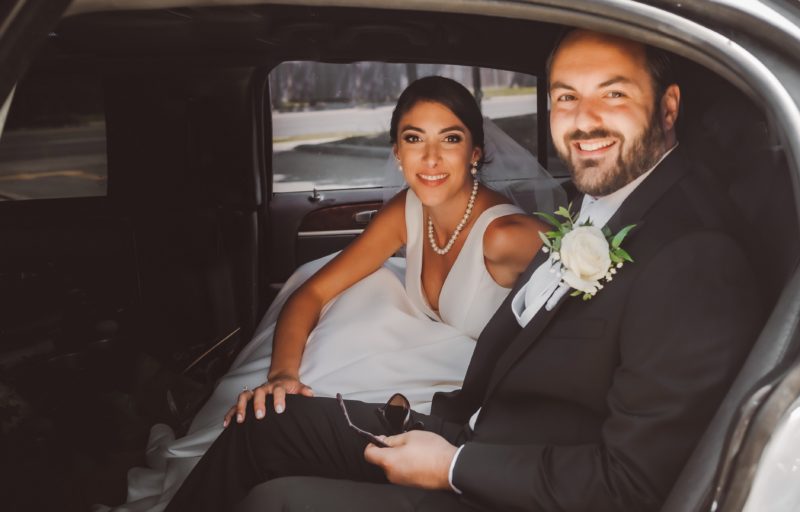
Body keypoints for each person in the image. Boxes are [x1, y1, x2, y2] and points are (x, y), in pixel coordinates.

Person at [166, 29, 766, 512]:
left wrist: (451, 466)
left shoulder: (693, 252)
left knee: (275, 500)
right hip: (473, 427)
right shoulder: (605, 204)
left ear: (668, 107)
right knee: (265, 428)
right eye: (565, 96)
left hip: (506, 477)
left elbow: (632, 484)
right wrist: (433, 416)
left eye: (612, 94)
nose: (584, 121)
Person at [109, 76, 548, 512]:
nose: (430, 158)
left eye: (449, 138)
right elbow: (312, 293)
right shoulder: (409, 208)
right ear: (397, 153)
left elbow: (603, 283)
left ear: (475, 153)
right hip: (415, 355)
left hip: (465, 386)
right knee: (282, 397)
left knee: (294, 419)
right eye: (414, 138)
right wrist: (283, 375)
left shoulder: (506, 237)